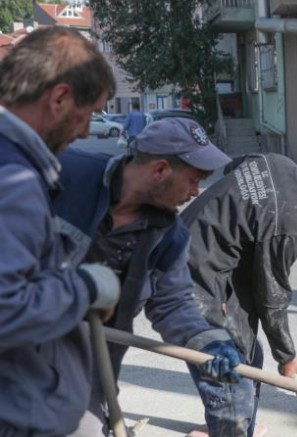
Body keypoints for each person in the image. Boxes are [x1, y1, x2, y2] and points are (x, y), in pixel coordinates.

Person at [54, 118, 243, 436]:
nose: (196, 192)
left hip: (84, 373)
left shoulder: (169, 237)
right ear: (159, 170)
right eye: (194, 180)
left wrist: (211, 345)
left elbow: (174, 305)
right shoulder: (65, 174)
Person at [181, 150, 297, 437]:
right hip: (192, 283)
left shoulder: (278, 163)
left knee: (251, 357)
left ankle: (239, 427)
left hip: (208, 264)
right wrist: (287, 356)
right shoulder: (288, 224)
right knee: (231, 377)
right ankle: (229, 427)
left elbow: (238, 164)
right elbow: (272, 295)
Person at [0, 26, 122, 436]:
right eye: (86, 115)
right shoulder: (12, 178)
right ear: (59, 98)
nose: (86, 131)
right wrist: (84, 288)